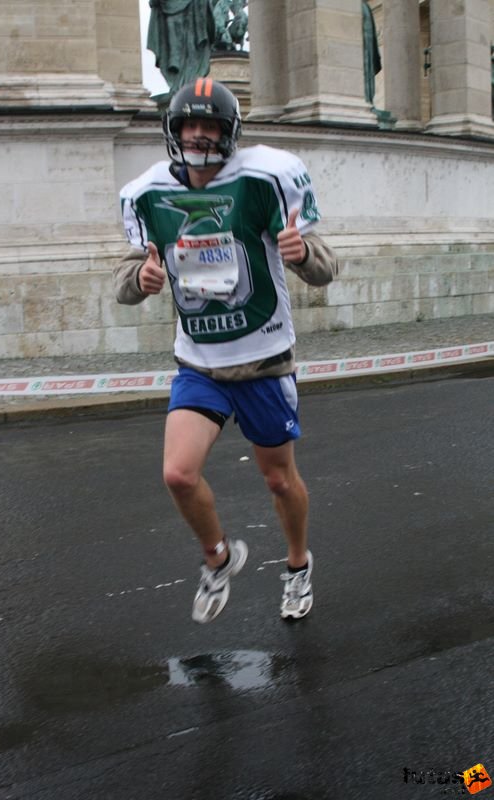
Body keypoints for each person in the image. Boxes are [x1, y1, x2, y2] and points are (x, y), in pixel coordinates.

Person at [114, 79, 338, 624]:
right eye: (189, 124)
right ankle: (218, 558)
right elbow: (125, 280)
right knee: (178, 475)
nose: (198, 134)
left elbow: (325, 268)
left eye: (209, 125)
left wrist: (302, 251)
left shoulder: (265, 179)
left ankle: (297, 564)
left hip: (262, 358)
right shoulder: (147, 192)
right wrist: (140, 281)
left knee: (279, 479)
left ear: (229, 133)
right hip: (199, 361)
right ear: (173, 131)